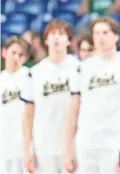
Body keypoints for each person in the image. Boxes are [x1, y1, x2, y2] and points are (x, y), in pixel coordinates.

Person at [64, 17, 120, 174]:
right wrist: (68, 148)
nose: (100, 37)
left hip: (116, 142)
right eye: (96, 33)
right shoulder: (82, 68)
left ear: (116, 36)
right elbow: (74, 110)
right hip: (86, 142)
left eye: (105, 32)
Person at [20, 20, 80, 174]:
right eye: (52, 34)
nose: (56, 38)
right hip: (44, 144)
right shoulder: (35, 72)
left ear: (68, 40)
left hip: (74, 144)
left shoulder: (79, 68)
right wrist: (27, 149)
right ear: (46, 40)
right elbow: (28, 114)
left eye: (61, 34)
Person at [0, 37, 30, 174]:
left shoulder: (30, 77)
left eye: (21, 54)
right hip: (4, 147)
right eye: (13, 53)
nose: (16, 57)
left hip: (25, 147)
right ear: (4, 53)